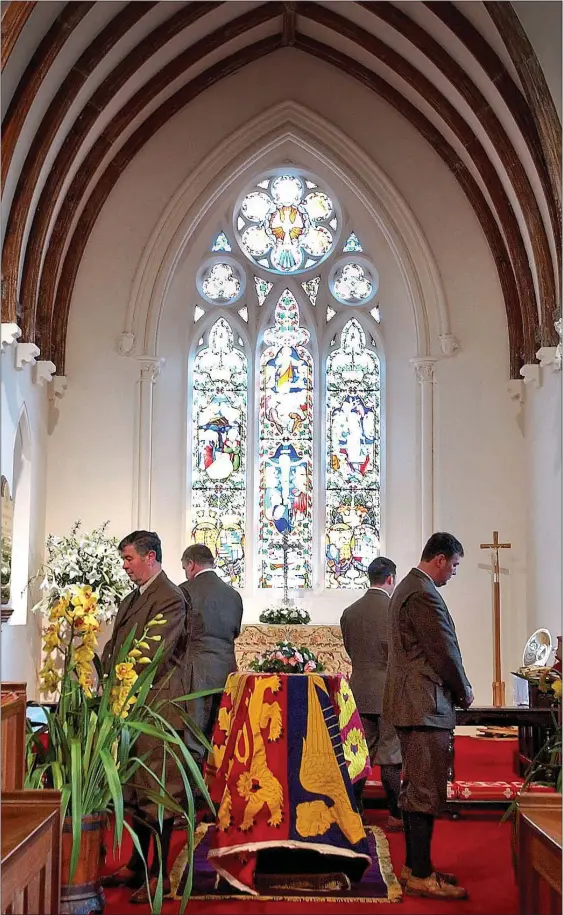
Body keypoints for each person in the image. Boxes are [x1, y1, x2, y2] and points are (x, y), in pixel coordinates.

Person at [101, 531, 191, 904]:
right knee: (135, 791)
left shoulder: (170, 597)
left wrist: (118, 672)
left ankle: (159, 877)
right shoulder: (135, 596)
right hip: (129, 703)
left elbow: (151, 650)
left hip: (156, 704)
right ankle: (138, 866)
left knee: (158, 792)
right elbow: (116, 642)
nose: (125, 567)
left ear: (150, 557)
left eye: (129, 559)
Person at [383, 532, 473, 901]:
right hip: (424, 704)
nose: (453, 573)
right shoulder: (422, 593)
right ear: (439, 558)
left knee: (416, 787)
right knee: (423, 790)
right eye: (453, 565)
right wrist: (464, 689)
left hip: (415, 702)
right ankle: (420, 874)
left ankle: (416, 866)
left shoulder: (408, 587)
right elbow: (443, 650)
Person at [340, 557, 402, 828]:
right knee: (391, 753)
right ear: (390, 578)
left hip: (360, 689)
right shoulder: (395, 609)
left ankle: (355, 809)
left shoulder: (350, 612)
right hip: (389, 690)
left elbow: (350, 648)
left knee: (358, 752)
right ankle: (395, 814)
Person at [180, 543, 243, 768]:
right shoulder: (233, 595)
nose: (186, 573)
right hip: (227, 670)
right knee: (222, 732)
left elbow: (180, 633)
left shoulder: (185, 590)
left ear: (191, 564)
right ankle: (220, 793)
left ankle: (195, 797)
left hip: (196, 669)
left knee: (194, 735)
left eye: (185, 568)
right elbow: (235, 630)